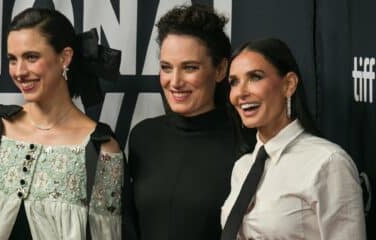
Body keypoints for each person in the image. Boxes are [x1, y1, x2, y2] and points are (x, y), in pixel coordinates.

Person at [0, 8, 123, 239]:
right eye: (12, 60)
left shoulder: (100, 148)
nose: (20, 72)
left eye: (31, 57)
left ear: (65, 57)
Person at [125, 4, 255, 240]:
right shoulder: (143, 137)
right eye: (166, 67)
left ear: (220, 69)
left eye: (190, 68)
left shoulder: (249, 143)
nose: (175, 81)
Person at [221, 38, 366, 239]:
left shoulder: (327, 163)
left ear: (289, 84)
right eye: (234, 82)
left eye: (255, 77)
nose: (241, 92)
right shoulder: (243, 167)